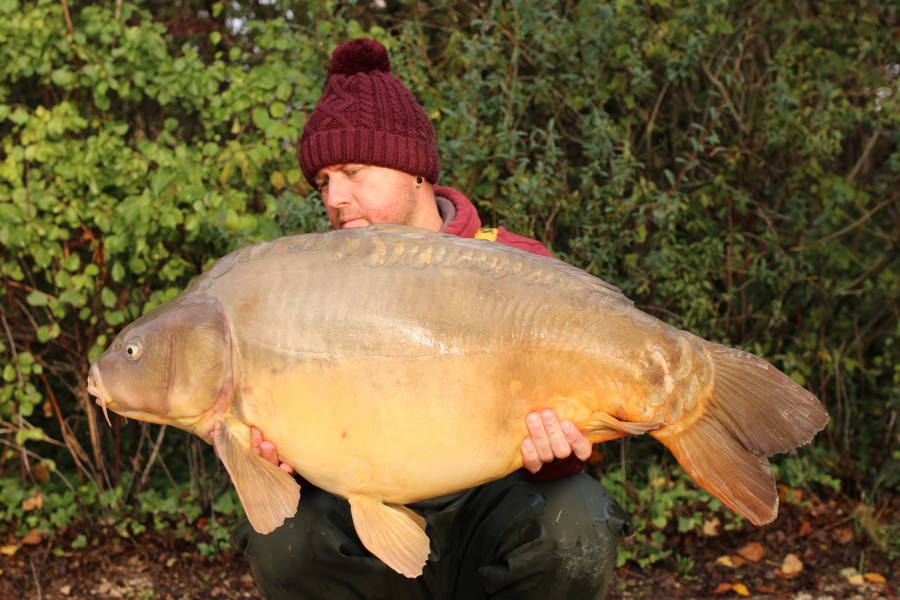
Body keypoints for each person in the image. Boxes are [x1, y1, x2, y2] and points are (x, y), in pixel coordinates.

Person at [229, 37, 633, 599]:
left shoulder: (516, 268)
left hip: (487, 504)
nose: (334, 198)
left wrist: (556, 454)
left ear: (413, 170)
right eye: (323, 182)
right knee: (283, 535)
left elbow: (575, 429)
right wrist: (280, 452)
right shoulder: (307, 289)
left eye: (352, 170)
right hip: (367, 510)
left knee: (577, 518)